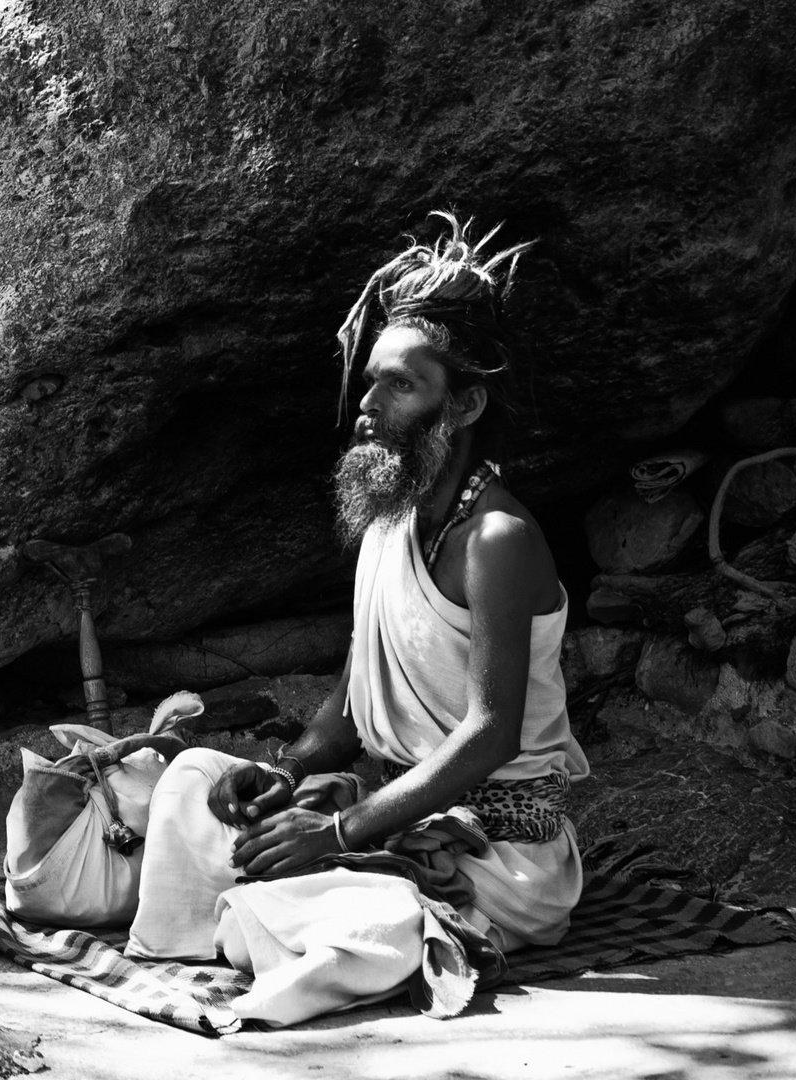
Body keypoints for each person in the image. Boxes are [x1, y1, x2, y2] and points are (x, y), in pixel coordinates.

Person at [125, 213, 590, 968]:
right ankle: (247, 911)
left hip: (495, 858)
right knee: (190, 780)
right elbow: (348, 702)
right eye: (371, 381)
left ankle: (247, 915)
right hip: (385, 818)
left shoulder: (496, 540)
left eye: (400, 385)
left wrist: (337, 834)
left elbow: (491, 735)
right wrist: (287, 771)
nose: (367, 406)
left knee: (287, 913)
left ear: (464, 405)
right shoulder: (389, 519)